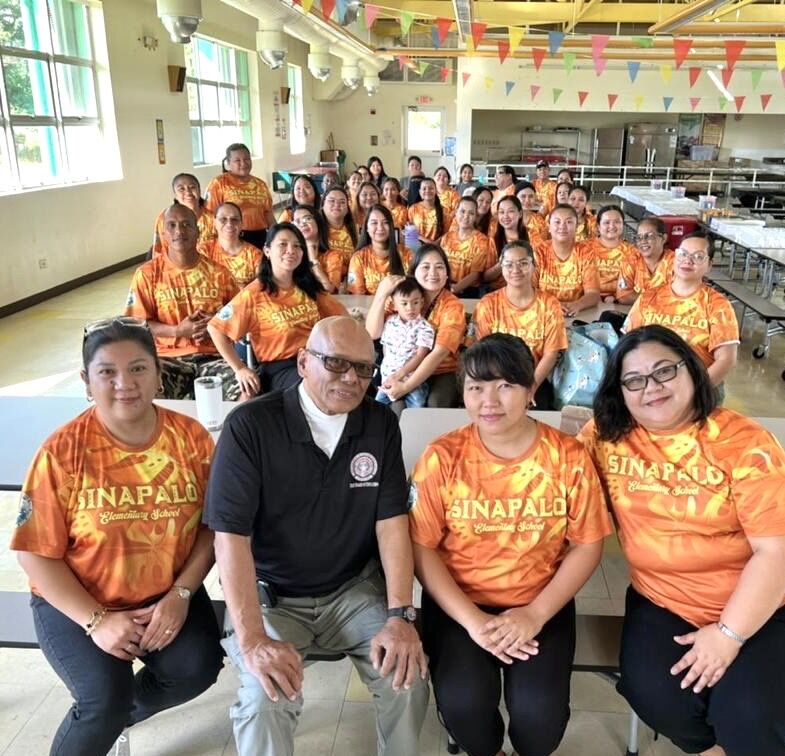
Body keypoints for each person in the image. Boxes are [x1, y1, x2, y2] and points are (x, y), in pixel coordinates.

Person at [204, 315, 430, 756]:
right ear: (304, 362)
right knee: (263, 698)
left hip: (353, 591)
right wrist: (252, 639)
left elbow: (391, 524)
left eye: (364, 368)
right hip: (274, 598)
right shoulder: (250, 427)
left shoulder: (379, 423)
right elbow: (230, 538)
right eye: (336, 363)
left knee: (407, 678)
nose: (352, 378)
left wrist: (400, 616)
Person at [11, 317, 223, 756]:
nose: (124, 383)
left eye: (139, 368)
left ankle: (126, 710)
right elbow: (35, 556)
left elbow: (212, 527)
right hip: (78, 597)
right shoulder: (62, 452)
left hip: (166, 590)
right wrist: (97, 621)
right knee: (102, 701)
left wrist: (181, 594)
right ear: (87, 382)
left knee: (196, 669)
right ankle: (110, 714)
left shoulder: (193, 441)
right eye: (107, 372)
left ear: (158, 373)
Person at [579, 324, 785, 756]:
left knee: (749, 714)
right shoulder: (606, 437)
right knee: (655, 693)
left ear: (692, 370)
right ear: (621, 392)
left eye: (664, 372)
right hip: (664, 600)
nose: (650, 388)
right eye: (634, 380)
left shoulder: (745, 444)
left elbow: (776, 552)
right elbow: (553, 478)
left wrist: (728, 636)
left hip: (762, 604)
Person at [410, 333, 611, 756]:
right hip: (460, 605)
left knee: (540, 719)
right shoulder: (442, 457)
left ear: (531, 390)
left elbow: (588, 544)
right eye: (476, 386)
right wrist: (473, 622)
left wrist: (535, 614)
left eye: (506, 385)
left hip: (540, 602)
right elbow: (422, 547)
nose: (490, 400)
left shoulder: (567, 457)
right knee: (464, 705)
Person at [207, 223, 347, 398]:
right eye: (283, 244)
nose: (291, 250)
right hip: (281, 368)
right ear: (267, 251)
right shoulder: (254, 293)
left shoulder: (308, 287)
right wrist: (240, 369)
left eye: (297, 246)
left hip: (317, 360)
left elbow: (342, 317)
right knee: (318, 388)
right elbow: (215, 328)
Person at [125, 204, 240, 399]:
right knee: (144, 390)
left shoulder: (220, 273)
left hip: (215, 356)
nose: (179, 231)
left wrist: (216, 323)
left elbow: (240, 318)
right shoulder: (147, 274)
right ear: (164, 233)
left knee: (246, 389)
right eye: (172, 225)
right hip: (168, 358)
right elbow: (135, 326)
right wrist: (177, 331)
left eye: (187, 224)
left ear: (198, 231)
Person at [624, 232, 738, 388]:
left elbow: (727, 359)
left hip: (699, 386)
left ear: (709, 265)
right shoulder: (649, 297)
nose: (687, 261)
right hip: (650, 385)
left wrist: (695, 393)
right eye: (683, 254)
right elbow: (628, 344)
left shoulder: (718, 304)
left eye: (698, 256)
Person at [365, 244, 466, 409]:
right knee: (396, 406)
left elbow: (439, 354)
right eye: (425, 267)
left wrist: (405, 386)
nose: (432, 273)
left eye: (439, 267)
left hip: (440, 370)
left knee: (434, 405)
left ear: (447, 275)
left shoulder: (453, 306)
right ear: (413, 271)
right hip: (399, 366)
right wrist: (382, 294)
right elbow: (372, 333)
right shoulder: (402, 296)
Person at [469, 240, 567, 409]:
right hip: (494, 378)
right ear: (501, 268)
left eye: (523, 263)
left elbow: (551, 354)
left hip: (534, 377)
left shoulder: (550, 304)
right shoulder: (488, 304)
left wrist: (531, 388)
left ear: (533, 266)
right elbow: (483, 352)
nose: (516, 270)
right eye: (509, 265)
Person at [376, 277, 435, 411]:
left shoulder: (425, 327)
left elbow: (420, 356)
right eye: (404, 303)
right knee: (378, 408)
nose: (410, 308)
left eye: (415, 302)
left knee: (417, 408)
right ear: (394, 305)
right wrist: (389, 373)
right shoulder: (390, 322)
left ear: (422, 302)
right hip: (388, 378)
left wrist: (401, 374)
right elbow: (386, 348)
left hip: (413, 381)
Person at [533, 204, 600, 317]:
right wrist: (553, 305)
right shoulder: (538, 252)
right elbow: (529, 291)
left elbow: (593, 293)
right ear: (549, 226)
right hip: (543, 312)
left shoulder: (586, 252)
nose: (562, 226)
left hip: (576, 313)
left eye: (569, 222)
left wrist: (578, 304)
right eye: (557, 222)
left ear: (577, 227)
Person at [205, 143, 276, 250]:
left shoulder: (260, 185)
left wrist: (276, 235)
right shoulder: (219, 183)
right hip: (232, 237)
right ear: (228, 163)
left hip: (260, 237)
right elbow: (209, 216)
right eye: (237, 160)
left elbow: (269, 215)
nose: (243, 163)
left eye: (247, 159)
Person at [347, 204, 410, 295]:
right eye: (374, 223)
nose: (380, 227)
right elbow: (357, 296)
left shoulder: (406, 254)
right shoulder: (358, 258)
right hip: (368, 308)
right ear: (367, 228)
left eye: (385, 222)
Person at [579, 205, 636, 302]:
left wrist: (613, 299)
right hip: (585, 300)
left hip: (620, 302)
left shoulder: (632, 251)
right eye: (606, 222)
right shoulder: (583, 248)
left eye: (617, 222)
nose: (612, 226)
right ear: (598, 226)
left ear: (623, 225)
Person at [151, 173, 215, 257]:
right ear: (175, 195)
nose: (188, 192)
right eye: (181, 189)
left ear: (199, 191)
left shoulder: (213, 218)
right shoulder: (165, 219)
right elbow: (159, 252)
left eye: (192, 187)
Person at [615, 216, 674, 305]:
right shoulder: (632, 259)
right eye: (639, 237)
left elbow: (677, 297)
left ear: (663, 238)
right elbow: (623, 296)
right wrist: (659, 299)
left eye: (649, 236)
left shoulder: (674, 262)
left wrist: (638, 297)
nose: (643, 241)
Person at [202, 202, 262, 289]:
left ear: (241, 224)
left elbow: (260, 287)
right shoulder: (204, 251)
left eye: (235, 219)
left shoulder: (255, 255)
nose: (229, 224)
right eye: (223, 219)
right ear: (214, 222)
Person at [438, 196, 489, 296]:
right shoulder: (447, 237)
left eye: (471, 213)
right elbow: (441, 264)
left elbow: (476, 274)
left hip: (468, 291)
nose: (466, 216)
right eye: (462, 211)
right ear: (456, 213)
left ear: (475, 216)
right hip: (445, 286)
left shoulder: (481, 240)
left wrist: (455, 289)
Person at [292, 204, 341, 293]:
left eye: (307, 219)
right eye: (297, 221)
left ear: (318, 222)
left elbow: (330, 290)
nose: (302, 224)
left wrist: (313, 261)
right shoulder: (292, 255)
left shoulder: (332, 256)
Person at [484, 195, 530, 291]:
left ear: (520, 213)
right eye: (501, 212)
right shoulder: (493, 240)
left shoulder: (532, 236)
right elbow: (486, 277)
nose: (505, 216)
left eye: (510, 211)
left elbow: (539, 267)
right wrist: (501, 264)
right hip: (498, 291)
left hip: (525, 289)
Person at [320, 186, 358, 279]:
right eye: (332, 201)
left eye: (342, 202)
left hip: (350, 283)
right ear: (323, 204)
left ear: (347, 208)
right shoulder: (315, 229)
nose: (337, 205)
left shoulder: (356, 230)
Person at [407, 177, 449, 243]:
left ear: (436, 191)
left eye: (431, 188)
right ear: (420, 192)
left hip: (437, 248)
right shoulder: (413, 209)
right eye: (424, 188)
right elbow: (410, 233)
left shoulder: (444, 211)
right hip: (418, 248)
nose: (427, 191)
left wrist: (434, 245)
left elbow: (446, 234)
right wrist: (427, 242)